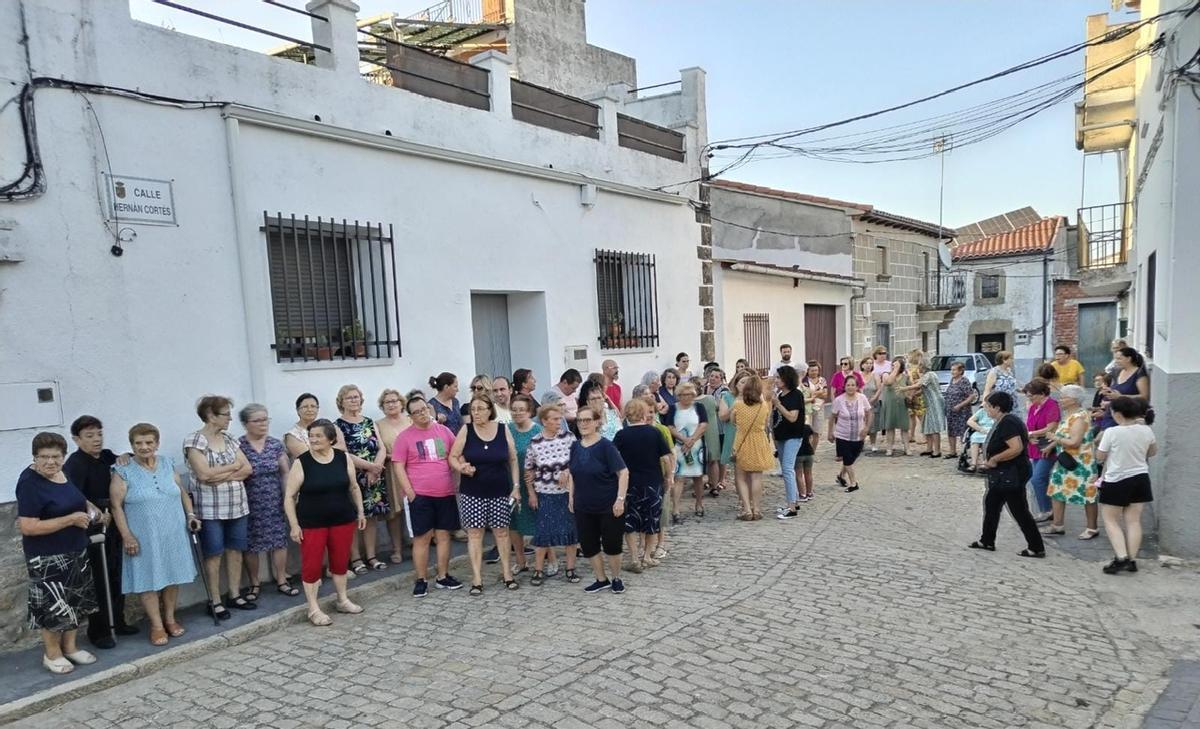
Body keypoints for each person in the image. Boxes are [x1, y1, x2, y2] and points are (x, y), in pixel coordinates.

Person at [18, 432, 102, 674]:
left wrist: (90, 508)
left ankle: (71, 648)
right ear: (34, 457)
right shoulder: (29, 483)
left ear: (64, 457)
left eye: (56, 456)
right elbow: (29, 526)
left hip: (75, 549)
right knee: (54, 607)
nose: (50, 462)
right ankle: (52, 654)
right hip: (47, 556)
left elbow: (75, 498)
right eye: (44, 457)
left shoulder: (63, 474)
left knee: (75, 602)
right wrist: (70, 520)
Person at [109, 423, 199, 646]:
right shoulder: (122, 470)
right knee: (147, 580)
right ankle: (156, 626)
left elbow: (181, 492)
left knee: (172, 576)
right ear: (131, 446)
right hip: (143, 536)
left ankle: (170, 619)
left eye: (149, 442)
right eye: (138, 443)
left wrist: (190, 515)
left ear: (157, 443)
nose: (144, 447)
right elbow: (116, 506)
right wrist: (127, 536)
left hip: (173, 532)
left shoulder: (168, 463)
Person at [62, 416, 136, 648]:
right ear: (77, 439)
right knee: (99, 580)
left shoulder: (105, 456)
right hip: (93, 528)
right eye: (89, 436)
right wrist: (92, 510)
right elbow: (72, 494)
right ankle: (100, 631)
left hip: (114, 523)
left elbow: (124, 461)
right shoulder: (75, 463)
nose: (96, 440)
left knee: (116, 575)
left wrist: (126, 456)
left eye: (99, 434)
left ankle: (119, 621)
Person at [283, 420, 366, 626]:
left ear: (331, 439)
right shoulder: (302, 462)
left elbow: (354, 487)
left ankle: (342, 599)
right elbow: (289, 496)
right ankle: (313, 608)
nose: (313, 439)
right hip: (312, 523)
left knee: (340, 562)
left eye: (318, 436)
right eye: (311, 436)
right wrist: (294, 525)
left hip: (342, 519)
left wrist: (361, 512)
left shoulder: (343, 458)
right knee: (311, 565)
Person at [184, 395, 254, 619]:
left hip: (237, 505)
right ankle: (214, 600)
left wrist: (221, 475)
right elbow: (203, 474)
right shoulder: (194, 441)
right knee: (213, 553)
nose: (230, 419)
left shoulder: (230, 438)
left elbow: (247, 469)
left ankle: (234, 594)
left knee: (235, 550)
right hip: (210, 509)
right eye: (225, 414)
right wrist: (233, 468)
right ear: (211, 416)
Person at [391, 396, 463, 597]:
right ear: (410, 416)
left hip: (445, 493)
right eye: (417, 411)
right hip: (420, 496)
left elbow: (455, 454)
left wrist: (457, 479)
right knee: (422, 539)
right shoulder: (405, 437)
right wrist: (411, 493)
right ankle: (421, 579)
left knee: (443, 537)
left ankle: (442, 576)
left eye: (424, 409)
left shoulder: (444, 431)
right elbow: (398, 466)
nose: (423, 413)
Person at [450, 395, 521, 595]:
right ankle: (477, 578)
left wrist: (516, 486)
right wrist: (462, 467)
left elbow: (513, 459)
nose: (476, 413)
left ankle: (507, 574)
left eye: (480, 408)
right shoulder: (467, 430)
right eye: (473, 409)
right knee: (474, 533)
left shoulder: (502, 429)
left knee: (502, 532)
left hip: (499, 490)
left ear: (490, 410)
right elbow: (453, 457)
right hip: (472, 492)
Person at [968, 392, 1046, 558]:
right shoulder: (1003, 421)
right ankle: (987, 540)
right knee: (991, 504)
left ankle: (1036, 546)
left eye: (988, 406)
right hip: (1004, 474)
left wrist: (995, 459)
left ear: (997, 407)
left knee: (1019, 510)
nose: (986, 409)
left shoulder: (1008, 422)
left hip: (1011, 473)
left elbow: (1015, 447)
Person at [569, 404, 630, 594]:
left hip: (608, 504)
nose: (583, 424)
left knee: (612, 544)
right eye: (580, 420)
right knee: (588, 544)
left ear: (597, 422)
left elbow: (623, 472)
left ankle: (616, 577)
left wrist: (620, 499)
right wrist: (570, 497)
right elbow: (572, 473)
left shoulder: (606, 446)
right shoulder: (575, 446)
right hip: (583, 505)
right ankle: (600, 578)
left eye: (587, 420)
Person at [237, 404, 295, 600]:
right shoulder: (239, 446)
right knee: (251, 543)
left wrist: (287, 498)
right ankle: (254, 583)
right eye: (257, 420)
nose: (263, 424)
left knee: (279, 540)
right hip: (248, 501)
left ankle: (281, 579)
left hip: (273, 499)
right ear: (246, 424)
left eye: (265, 419)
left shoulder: (275, 444)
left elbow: (285, 472)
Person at [1096, 397, 1156, 574]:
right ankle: (1132, 559)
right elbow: (1152, 452)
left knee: (1110, 520)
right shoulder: (1146, 430)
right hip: (1141, 478)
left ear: (1118, 414)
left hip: (1117, 479)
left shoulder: (1112, 432)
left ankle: (1120, 558)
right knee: (1134, 521)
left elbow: (1100, 457)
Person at [334, 384, 390, 573]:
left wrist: (375, 470)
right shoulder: (337, 425)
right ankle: (356, 559)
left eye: (356, 397)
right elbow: (344, 453)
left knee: (371, 517)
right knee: (355, 517)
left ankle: (372, 556)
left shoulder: (369, 421)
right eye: (349, 397)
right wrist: (369, 467)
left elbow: (381, 447)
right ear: (341, 402)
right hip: (353, 476)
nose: (354, 400)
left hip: (374, 475)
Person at [525, 404, 579, 585]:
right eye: (555, 419)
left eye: (560, 418)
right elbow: (528, 470)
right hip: (545, 493)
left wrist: (568, 472)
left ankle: (570, 569)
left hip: (567, 493)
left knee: (570, 533)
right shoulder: (535, 442)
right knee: (543, 533)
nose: (559, 422)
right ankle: (538, 570)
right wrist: (531, 494)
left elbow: (578, 461)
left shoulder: (569, 438)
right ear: (544, 421)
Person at [615, 399, 672, 570]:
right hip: (653, 482)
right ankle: (647, 556)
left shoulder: (621, 435)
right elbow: (666, 458)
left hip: (630, 484)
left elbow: (613, 457)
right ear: (643, 413)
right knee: (651, 520)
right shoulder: (654, 432)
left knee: (630, 521)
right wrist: (668, 477)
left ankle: (634, 558)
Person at [1040, 385, 1100, 539]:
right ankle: (1057, 525)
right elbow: (1064, 434)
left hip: (1080, 463)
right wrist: (1051, 446)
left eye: (1064, 397)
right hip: (1065, 460)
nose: (1060, 400)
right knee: (1057, 491)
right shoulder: (1069, 414)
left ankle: (1092, 528)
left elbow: (1074, 442)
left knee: (1088, 495)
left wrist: (1054, 438)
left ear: (1074, 400)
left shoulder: (1079, 417)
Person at [506, 395, 541, 575]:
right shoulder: (507, 429)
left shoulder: (538, 431)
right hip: (511, 481)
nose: (517, 413)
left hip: (534, 483)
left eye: (521, 409)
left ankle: (546, 560)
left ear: (529, 412)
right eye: (514, 409)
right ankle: (521, 561)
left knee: (539, 521)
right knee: (514, 523)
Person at [375, 389, 410, 565]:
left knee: (417, 506)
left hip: (413, 469)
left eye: (395, 401)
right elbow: (379, 449)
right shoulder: (378, 425)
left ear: (401, 403)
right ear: (382, 406)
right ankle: (397, 549)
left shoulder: (410, 420)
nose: (391, 404)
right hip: (391, 470)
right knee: (394, 513)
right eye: (387, 402)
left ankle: (418, 542)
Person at [732, 374, 773, 521]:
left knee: (741, 478)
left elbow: (733, 422)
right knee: (756, 477)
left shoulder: (738, 405)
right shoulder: (763, 406)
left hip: (742, 441)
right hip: (759, 440)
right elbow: (766, 421)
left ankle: (747, 509)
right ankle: (757, 509)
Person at [668, 382, 708, 518]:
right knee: (679, 477)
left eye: (690, 395)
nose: (687, 397)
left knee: (698, 477)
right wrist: (684, 439)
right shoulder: (673, 408)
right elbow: (670, 426)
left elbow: (703, 424)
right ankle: (676, 508)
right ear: (679, 395)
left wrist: (692, 439)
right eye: (684, 395)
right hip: (679, 446)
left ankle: (699, 503)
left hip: (696, 446)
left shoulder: (699, 407)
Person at [827, 375, 873, 493]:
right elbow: (832, 417)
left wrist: (867, 428)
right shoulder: (839, 400)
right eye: (848, 385)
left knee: (852, 458)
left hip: (859, 435)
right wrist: (830, 432)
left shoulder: (862, 398)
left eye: (853, 385)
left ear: (857, 386)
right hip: (842, 435)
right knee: (847, 459)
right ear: (844, 386)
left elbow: (869, 413)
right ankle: (854, 483)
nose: (851, 387)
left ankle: (841, 476)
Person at [1024, 379, 1061, 522]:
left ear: (1041, 394)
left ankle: (1047, 510)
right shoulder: (1034, 407)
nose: (1030, 399)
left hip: (1047, 446)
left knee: (1037, 479)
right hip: (1035, 446)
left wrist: (1031, 434)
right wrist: (1030, 437)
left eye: (1031, 396)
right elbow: (1030, 425)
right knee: (1039, 479)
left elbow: (1051, 428)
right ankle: (1046, 509)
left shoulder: (1052, 405)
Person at [772, 365, 806, 519]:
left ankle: (791, 506)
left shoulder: (795, 395)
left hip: (793, 436)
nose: (776, 380)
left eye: (779, 377)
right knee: (786, 469)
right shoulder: (780, 395)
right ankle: (794, 501)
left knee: (787, 469)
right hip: (781, 437)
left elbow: (792, 417)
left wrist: (778, 405)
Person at [1097, 347, 1151, 431]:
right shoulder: (1118, 371)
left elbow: (1144, 397)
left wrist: (1121, 396)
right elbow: (1117, 389)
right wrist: (1108, 391)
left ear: (1128, 359)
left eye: (1119, 358)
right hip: (1112, 412)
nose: (1116, 361)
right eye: (1115, 359)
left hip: (1127, 416)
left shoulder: (1139, 374)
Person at [904, 351, 946, 458]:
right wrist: (910, 395)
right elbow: (921, 390)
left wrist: (904, 389)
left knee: (935, 428)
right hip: (928, 403)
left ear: (925, 366)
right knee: (928, 426)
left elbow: (918, 385)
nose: (919, 368)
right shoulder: (926, 375)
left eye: (920, 365)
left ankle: (937, 451)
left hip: (935, 403)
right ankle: (929, 448)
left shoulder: (930, 375)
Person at [704, 368, 732, 493]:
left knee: (721, 455)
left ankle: (721, 479)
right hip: (708, 426)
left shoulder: (724, 391)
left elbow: (720, 406)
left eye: (716, 377)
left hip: (721, 426)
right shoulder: (705, 389)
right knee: (711, 455)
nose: (713, 378)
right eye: (711, 376)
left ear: (721, 379)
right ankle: (711, 480)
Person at [695, 379, 723, 498]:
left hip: (697, 431)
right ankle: (714, 486)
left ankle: (698, 487)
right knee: (713, 460)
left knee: (699, 461)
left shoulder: (690, 402)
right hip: (712, 430)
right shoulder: (710, 399)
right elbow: (717, 408)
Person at [944, 362, 977, 461]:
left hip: (962, 412)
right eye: (951, 370)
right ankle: (952, 451)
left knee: (963, 431)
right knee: (951, 431)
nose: (952, 372)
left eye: (954, 370)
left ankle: (964, 451)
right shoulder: (952, 380)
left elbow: (971, 396)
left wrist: (960, 405)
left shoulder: (964, 381)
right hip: (951, 411)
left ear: (961, 371)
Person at [878, 357, 911, 456]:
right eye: (893, 364)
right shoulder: (885, 374)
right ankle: (889, 448)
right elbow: (888, 382)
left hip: (901, 404)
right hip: (889, 405)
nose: (894, 366)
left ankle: (907, 448)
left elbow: (912, 387)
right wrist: (895, 370)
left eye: (896, 365)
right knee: (890, 427)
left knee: (904, 427)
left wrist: (909, 395)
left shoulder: (905, 377)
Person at [982, 350, 1021, 415]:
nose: (1012, 360)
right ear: (1004, 360)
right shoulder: (994, 371)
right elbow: (987, 389)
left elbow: (1013, 385)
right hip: (1000, 404)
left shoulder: (1009, 371)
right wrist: (984, 402)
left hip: (1012, 403)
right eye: (1011, 358)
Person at [284, 393, 320, 459]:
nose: (310, 409)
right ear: (298, 410)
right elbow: (307, 459)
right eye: (305, 407)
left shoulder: (324, 429)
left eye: (313, 406)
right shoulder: (292, 435)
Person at [800, 362, 829, 441]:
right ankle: (807, 448)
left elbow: (825, 395)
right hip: (807, 408)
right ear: (807, 371)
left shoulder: (822, 380)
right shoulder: (804, 380)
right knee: (807, 430)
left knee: (817, 430)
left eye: (816, 370)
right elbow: (805, 395)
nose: (814, 372)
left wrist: (814, 394)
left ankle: (813, 450)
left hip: (819, 407)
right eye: (812, 370)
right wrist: (819, 392)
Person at [860, 357, 882, 453]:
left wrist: (874, 398)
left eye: (871, 363)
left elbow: (879, 388)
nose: (869, 365)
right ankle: (861, 443)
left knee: (873, 424)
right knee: (861, 423)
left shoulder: (875, 375)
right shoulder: (858, 375)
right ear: (862, 365)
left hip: (873, 402)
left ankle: (873, 444)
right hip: (861, 403)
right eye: (867, 363)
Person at [965, 405, 995, 473]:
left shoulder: (997, 412)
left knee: (986, 440)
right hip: (981, 430)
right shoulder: (982, 411)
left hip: (992, 431)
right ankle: (973, 464)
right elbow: (969, 421)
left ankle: (985, 463)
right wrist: (979, 429)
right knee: (975, 439)